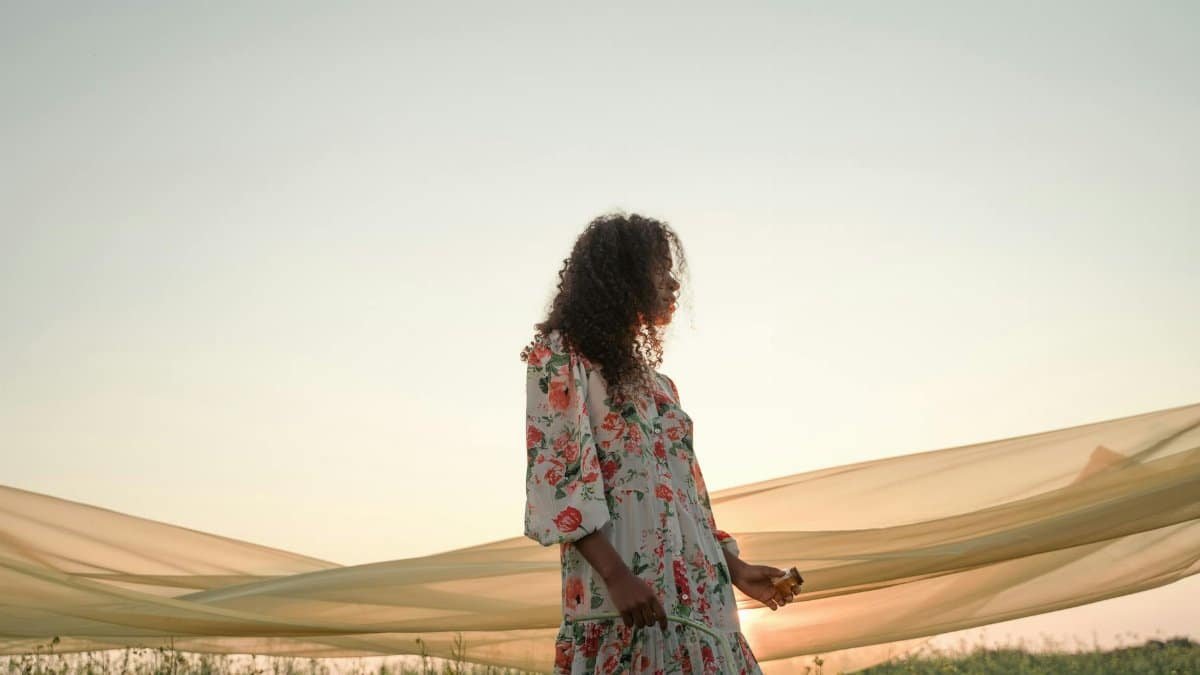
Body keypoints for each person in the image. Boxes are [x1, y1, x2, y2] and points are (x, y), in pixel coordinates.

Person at [520, 212, 795, 674]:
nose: (673, 284)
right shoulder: (561, 357)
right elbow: (560, 479)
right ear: (623, 276)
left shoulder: (662, 388)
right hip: (626, 600)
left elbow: (688, 499)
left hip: (702, 606)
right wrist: (616, 575)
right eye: (659, 270)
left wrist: (737, 570)